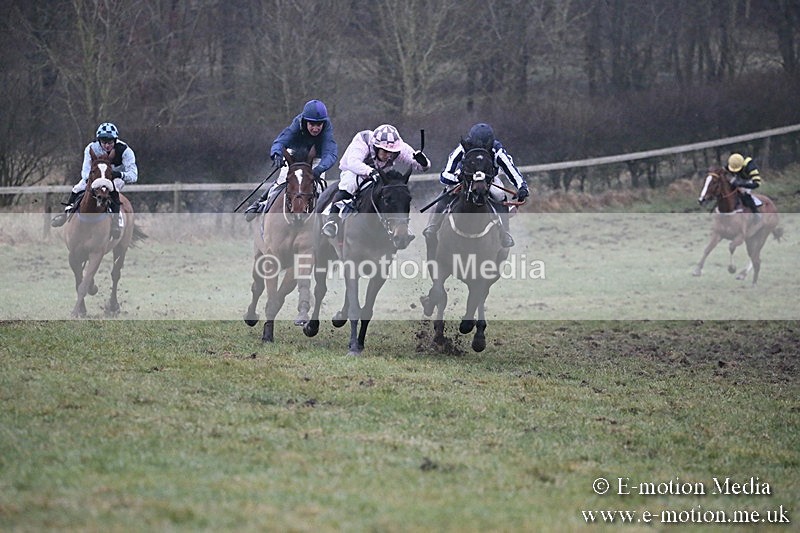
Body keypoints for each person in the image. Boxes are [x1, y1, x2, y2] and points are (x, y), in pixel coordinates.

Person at [423, 123, 528, 249]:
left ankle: (504, 233)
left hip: (489, 179)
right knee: (449, 190)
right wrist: (457, 178)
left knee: (500, 194)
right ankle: (434, 225)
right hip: (465, 177)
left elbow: (510, 169)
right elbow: (445, 175)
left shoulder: (497, 149)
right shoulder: (463, 147)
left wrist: (522, 186)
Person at [321, 124, 430, 238]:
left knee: (395, 192)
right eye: (386, 152)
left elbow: (423, 167)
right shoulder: (362, 140)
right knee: (349, 184)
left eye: (392, 153)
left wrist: (423, 162)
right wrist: (370, 172)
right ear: (376, 147)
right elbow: (353, 162)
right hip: (355, 171)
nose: (389, 156)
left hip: (379, 174)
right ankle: (332, 221)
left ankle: (400, 227)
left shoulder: (399, 147)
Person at [244, 99, 338, 220]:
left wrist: (320, 169)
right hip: (295, 156)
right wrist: (276, 154)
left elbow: (330, 153)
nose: (315, 128)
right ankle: (262, 203)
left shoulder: (327, 128)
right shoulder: (297, 123)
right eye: (312, 124)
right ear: (305, 121)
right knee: (283, 181)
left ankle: (322, 220)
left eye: (319, 125)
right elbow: (281, 141)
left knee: (318, 188)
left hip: (316, 159)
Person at [51, 122, 138, 238]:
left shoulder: (126, 151)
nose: (107, 145)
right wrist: (95, 181)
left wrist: (119, 174)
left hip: (115, 177)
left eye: (110, 142)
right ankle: (66, 213)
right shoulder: (91, 148)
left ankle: (116, 223)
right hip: (95, 177)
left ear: (115, 140)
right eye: (104, 142)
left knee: (113, 189)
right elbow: (85, 173)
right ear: (99, 140)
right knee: (77, 188)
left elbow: (133, 175)